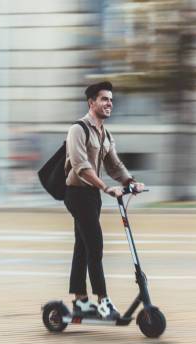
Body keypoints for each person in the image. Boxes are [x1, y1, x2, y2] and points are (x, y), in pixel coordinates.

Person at [64, 81, 144, 320]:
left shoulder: (106, 133)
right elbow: (81, 167)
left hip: (92, 196)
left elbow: (114, 165)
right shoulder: (78, 129)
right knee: (95, 246)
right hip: (77, 193)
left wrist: (130, 182)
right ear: (92, 103)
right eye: (104, 99)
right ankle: (103, 301)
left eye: (111, 99)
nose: (109, 103)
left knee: (83, 246)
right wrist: (106, 187)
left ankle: (80, 301)